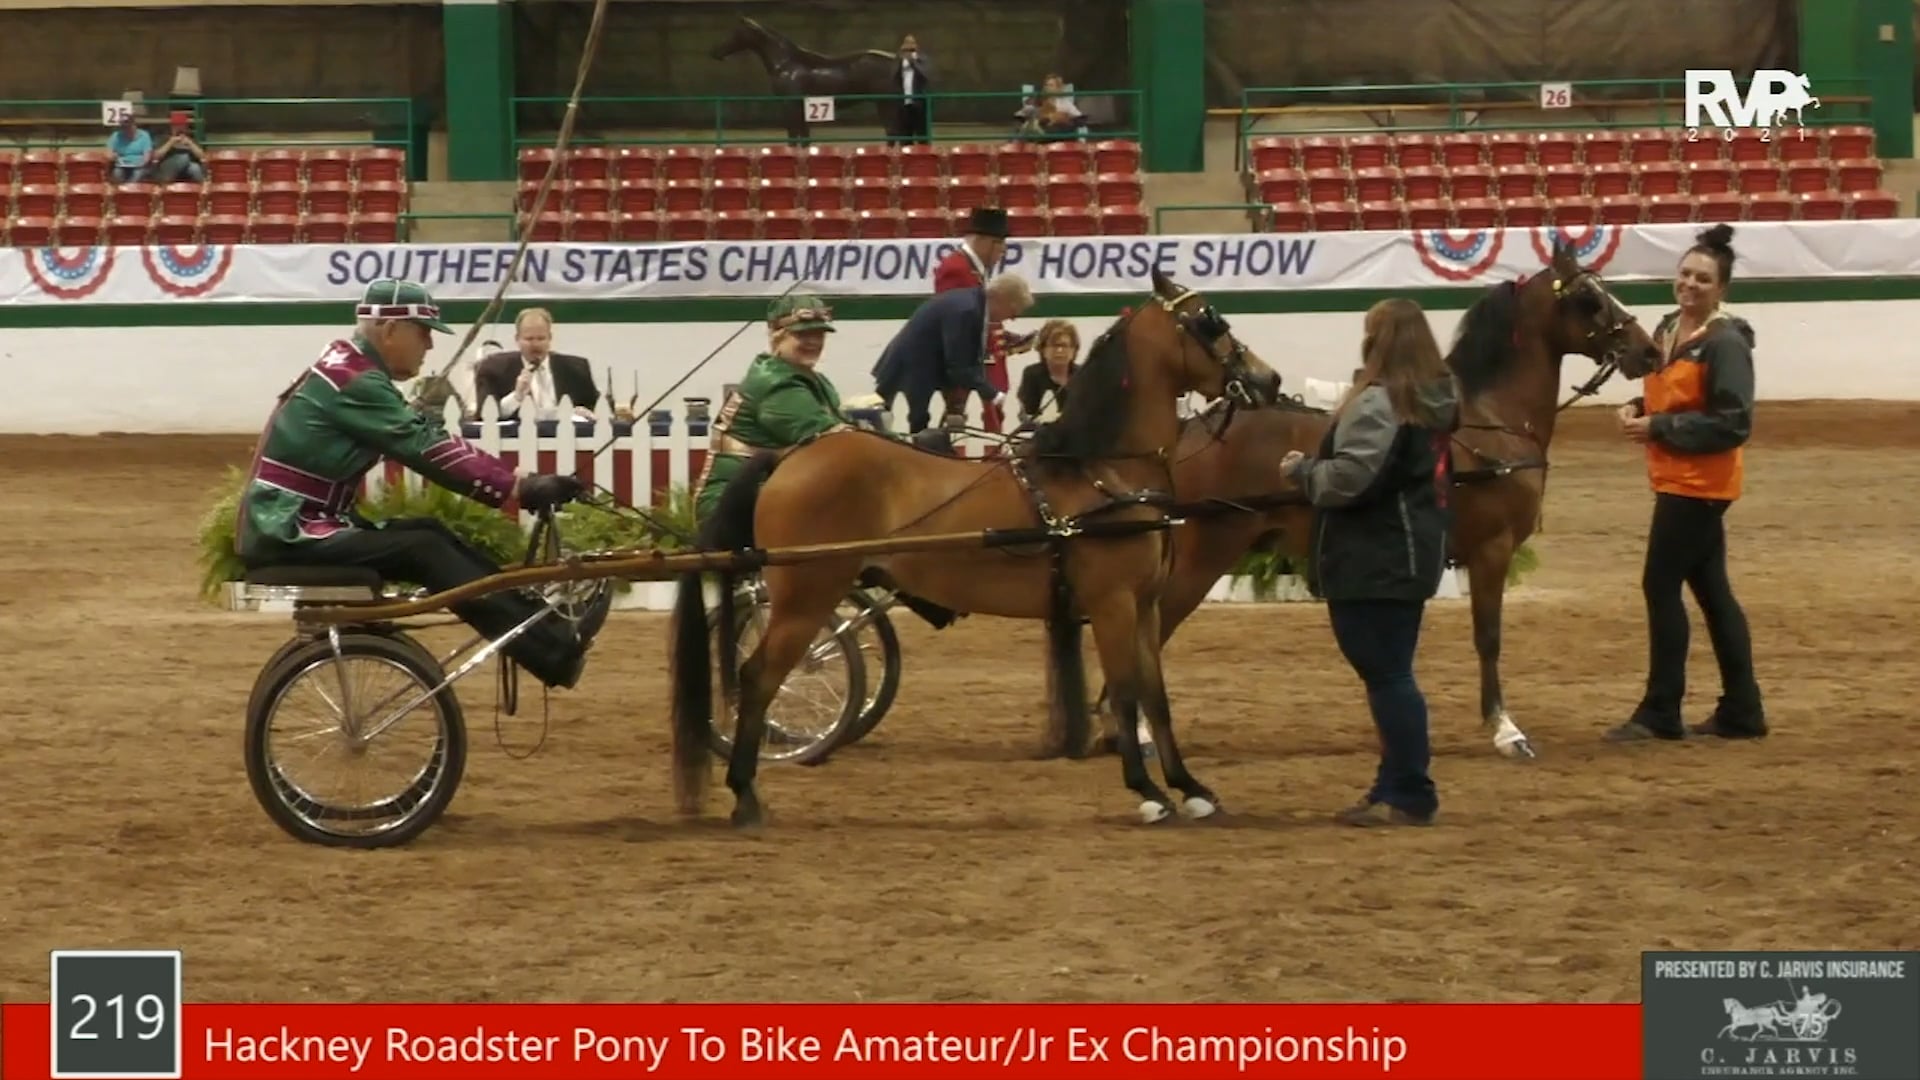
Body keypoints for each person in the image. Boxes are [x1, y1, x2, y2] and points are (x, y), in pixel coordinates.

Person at [234, 278, 609, 690]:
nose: (429, 344)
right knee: (424, 546)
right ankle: (551, 650)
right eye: (423, 332)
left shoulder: (348, 368)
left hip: (290, 522)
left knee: (427, 533)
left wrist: (517, 482)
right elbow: (427, 448)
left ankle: (544, 631)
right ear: (390, 330)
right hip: (289, 531)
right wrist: (518, 489)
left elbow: (426, 438)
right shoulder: (355, 380)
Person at [1280, 298, 1459, 827]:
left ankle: (1410, 792)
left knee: (1389, 677)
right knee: (1390, 674)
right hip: (1409, 550)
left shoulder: (1381, 403)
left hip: (1374, 557)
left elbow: (1348, 479)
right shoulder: (1431, 397)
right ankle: (1393, 785)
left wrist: (1303, 471)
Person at [1606, 224, 1766, 743]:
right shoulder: (1670, 328)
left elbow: (1733, 422)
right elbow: (1669, 395)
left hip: (1699, 484)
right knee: (1712, 592)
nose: (1691, 284)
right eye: (1686, 274)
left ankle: (1661, 709)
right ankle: (1742, 710)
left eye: (1703, 278)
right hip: (1677, 477)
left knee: (1660, 584)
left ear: (1721, 289)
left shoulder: (1725, 343)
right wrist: (1639, 407)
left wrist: (1659, 427)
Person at [694, 293, 950, 529]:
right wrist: (911, 448)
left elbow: (846, 428)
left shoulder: (812, 379)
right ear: (777, 335)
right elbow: (831, 440)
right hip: (731, 504)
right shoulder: (776, 383)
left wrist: (906, 443)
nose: (813, 342)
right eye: (802, 335)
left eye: (819, 335)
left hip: (772, 488)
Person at [873, 273, 1032, 434]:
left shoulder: (973, 303)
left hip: (917, 363)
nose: (1013, 318)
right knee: (904, 422)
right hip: (912, 365)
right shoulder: (966, 310)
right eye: (1014, 311)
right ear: (1001, 298)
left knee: (908, 421)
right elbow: (958, 365)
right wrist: (992, 393)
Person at [932, 207, 1031, 435]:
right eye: (1001, 244)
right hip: (964, 359)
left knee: (987, 413)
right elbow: (956, 319)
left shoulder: (972, 267)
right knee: (958, 414)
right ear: (986, 241)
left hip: (975, 355)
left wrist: (1003, 337)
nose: (1003, 251)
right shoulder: (957, 269)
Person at [472, 307, 600, 421]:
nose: (535, 344)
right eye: (529, 339)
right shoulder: (494, 369)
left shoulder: (576, 368)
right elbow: (486, 414)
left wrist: (586, 413)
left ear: (550, 338)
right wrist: (517, 396)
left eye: (541, 338)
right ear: (517, 339)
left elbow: (597, 408)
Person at [1015, 318, 1080, 425]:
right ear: (1043, 349)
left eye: (1064, 345)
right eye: (1054, 345)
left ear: (1074, 350)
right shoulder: (1032, 374)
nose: (1059, 350)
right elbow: (1028, 414)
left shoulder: (1083, 375)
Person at [887, 34, 932, 145]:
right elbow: (893, 78)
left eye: (911, 43)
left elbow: (926, 76)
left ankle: (923, 154)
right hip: (903, 104)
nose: (909, 46)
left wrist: (913, 63)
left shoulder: (922, 59)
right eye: (906, 43)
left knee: (922, 135)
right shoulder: (899, 61)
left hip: (919, 103)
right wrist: (901, 62)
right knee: (905, 136)